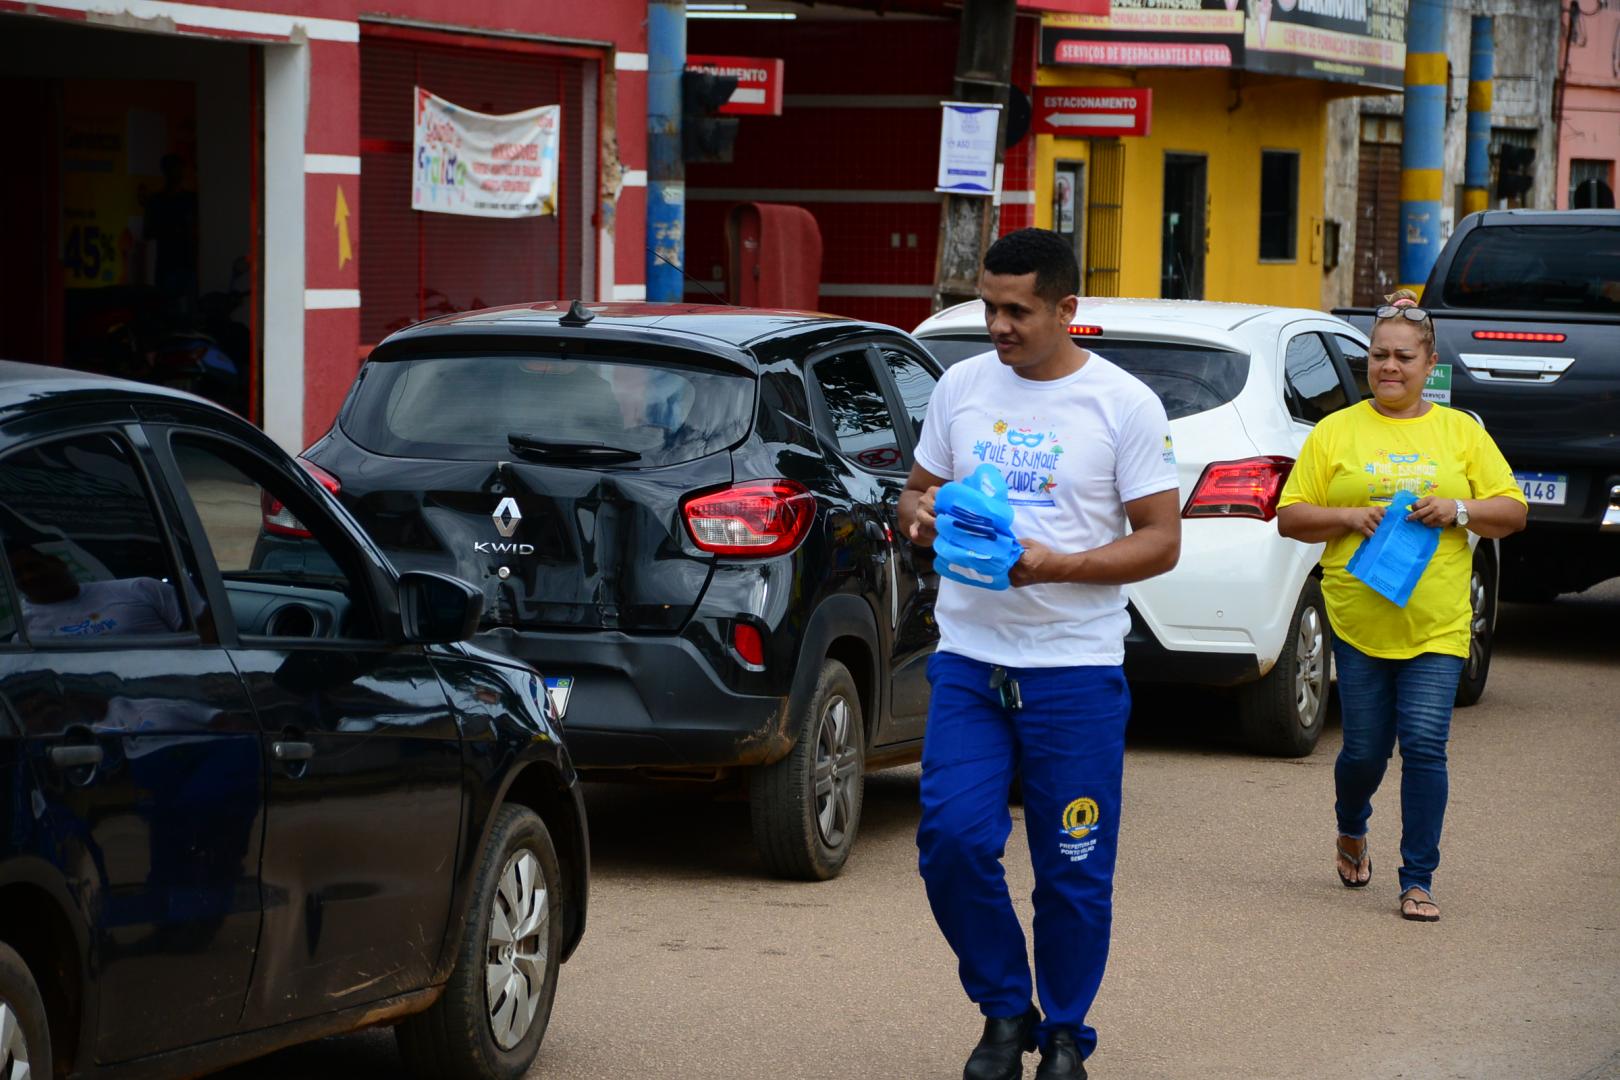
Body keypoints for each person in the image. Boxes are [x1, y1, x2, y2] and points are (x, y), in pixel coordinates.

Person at [898, 228, 1181, 1080]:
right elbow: (915, 493)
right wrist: (918, 516)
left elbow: (1162, 540)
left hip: (1075, 669)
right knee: (951, 840)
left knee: (1072, 868)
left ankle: (1064, 1031)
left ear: (1067, 309)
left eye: (1017, 310)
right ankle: (1003, 1011)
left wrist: (1060, 565)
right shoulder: (960, 387)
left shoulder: (1124, 405)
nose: (998, 325)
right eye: (988, 306)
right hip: (971, 660)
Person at [1275, 289, 1527, 922]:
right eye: (1380, 355)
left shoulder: (1460, 433)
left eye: (1404, 357)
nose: (1389, 366)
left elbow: (1513, 511)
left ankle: (1418, 879)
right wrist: (1346, 515)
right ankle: (1351, 824)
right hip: (1359, 619)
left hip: (1437, 622)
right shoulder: (1336, 431)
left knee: (1423, 745)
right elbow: (1289, 517)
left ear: (1429, 361)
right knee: (1362, 751)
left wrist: (1458, 509)